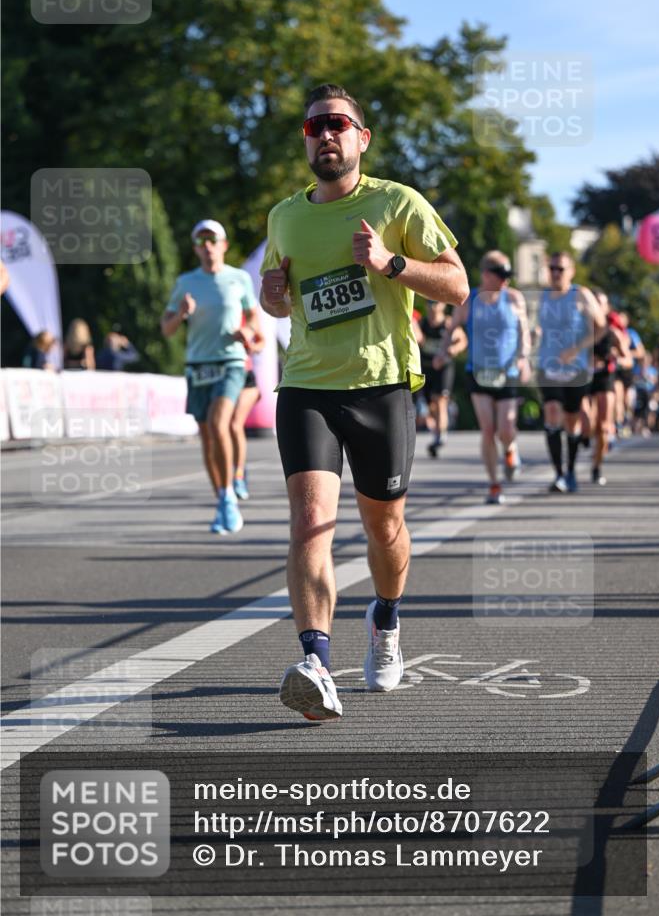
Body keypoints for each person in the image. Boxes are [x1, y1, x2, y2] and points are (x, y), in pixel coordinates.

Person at [260, 83, 468, 721]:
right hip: (307, 387)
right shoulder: (284, 216)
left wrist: (391, 263)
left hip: (380, 387)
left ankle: (386, 618)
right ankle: (316, 661)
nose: (326, 134)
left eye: (338, 124)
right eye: (314, 126)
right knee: (309, 522)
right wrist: (273, 295)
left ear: (361, 138)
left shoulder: (397, 202)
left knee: (383, 528)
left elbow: (457, 286)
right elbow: (277, 301)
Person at [161, 219, 262, 534]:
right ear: (195, 248)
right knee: (206, 436)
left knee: (222, 424)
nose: (207, 247)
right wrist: (181, 314)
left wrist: (247, 333)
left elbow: (256, 325)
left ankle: (233, 486)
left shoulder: (239, 279)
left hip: (231, 362)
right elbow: (166, 328)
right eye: (201, 241)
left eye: (212, 240)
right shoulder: (185, 282)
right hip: (198, 364)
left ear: (223, 245)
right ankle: (222, 497)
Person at [445, 251, 530, 504]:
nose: (506, 280)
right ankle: (494, 485)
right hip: (478, 372)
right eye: (501, 275)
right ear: (485, 275)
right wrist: (443, 352)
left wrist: (524, 357)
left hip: (508, 371)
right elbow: (453, 328)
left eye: (508, 275)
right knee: (488, 429)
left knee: (505, 428)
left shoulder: (514, 298)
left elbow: (523, 332)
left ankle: (511, 450)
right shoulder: (469, 300)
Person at [536, 252, 604, 493]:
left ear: (571, 271)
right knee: (552, 412)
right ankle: (558, 474)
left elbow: (601, 327)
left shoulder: (581, 295)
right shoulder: (542, 296)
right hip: (548, 365)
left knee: (572, 421)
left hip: (576, 368)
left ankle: (572, 470)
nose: (555, 273)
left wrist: (578, 349)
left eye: (560, 269)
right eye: (552, 268)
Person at [588, 292, 632, 485]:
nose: (597, 306)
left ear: (606, 309)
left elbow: (628, 359)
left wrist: (614, 358)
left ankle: (596, 466)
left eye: (601, 303)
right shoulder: (581, 327)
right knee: (588, 422)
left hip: (605, 378)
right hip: (584, 379)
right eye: (594, 303)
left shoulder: (613, 332)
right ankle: (584, 439)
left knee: (604, 427)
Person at [417, 300, 465, 458]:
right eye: (430, 303)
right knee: (431, 404)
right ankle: (437, 430)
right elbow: (416, 337)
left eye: (436, 303)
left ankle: (440, 436)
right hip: (427, 367)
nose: (433, 306)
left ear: (443, 305)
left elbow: (462, 340)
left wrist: (453, 349)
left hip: (444, 368)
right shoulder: (422, 323)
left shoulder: (448, 323)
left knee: (440, 400)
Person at [230, 316, 265, 500]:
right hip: (224, 374)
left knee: (235, 424)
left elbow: (261, 340)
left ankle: (239, 476)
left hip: (246, 378)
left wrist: (253, 347)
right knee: (223, 428)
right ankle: (237, 466)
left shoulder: (244, 314)